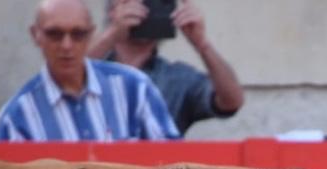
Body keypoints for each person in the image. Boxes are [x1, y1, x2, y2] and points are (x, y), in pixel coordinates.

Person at [0, 0, 179, 142]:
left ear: (90, 34)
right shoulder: (17, 117)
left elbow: (174, 168)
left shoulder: (135, 89)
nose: (67, 45)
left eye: (78, 34)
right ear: (36, 35)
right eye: (55, 34)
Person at [88, 0, 243, 136]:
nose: (145, 10)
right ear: (112, 11)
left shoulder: (178, 79)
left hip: (160, 167)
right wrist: (111, 34)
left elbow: (232, 101)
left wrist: (202, 44)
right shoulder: (91, 71)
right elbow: (65, 79)